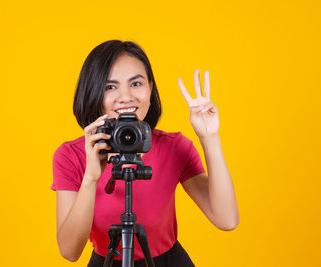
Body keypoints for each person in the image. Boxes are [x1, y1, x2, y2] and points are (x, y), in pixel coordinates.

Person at [51, 40, 239, 266]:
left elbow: (227, 219)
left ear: (151, 88)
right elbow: (70, 251)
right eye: (110, 87)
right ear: (93, 93)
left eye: (136, 83)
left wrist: (209, 137)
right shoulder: (71, 155)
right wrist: (90, 178)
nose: (126, 96)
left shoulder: (174, 146)